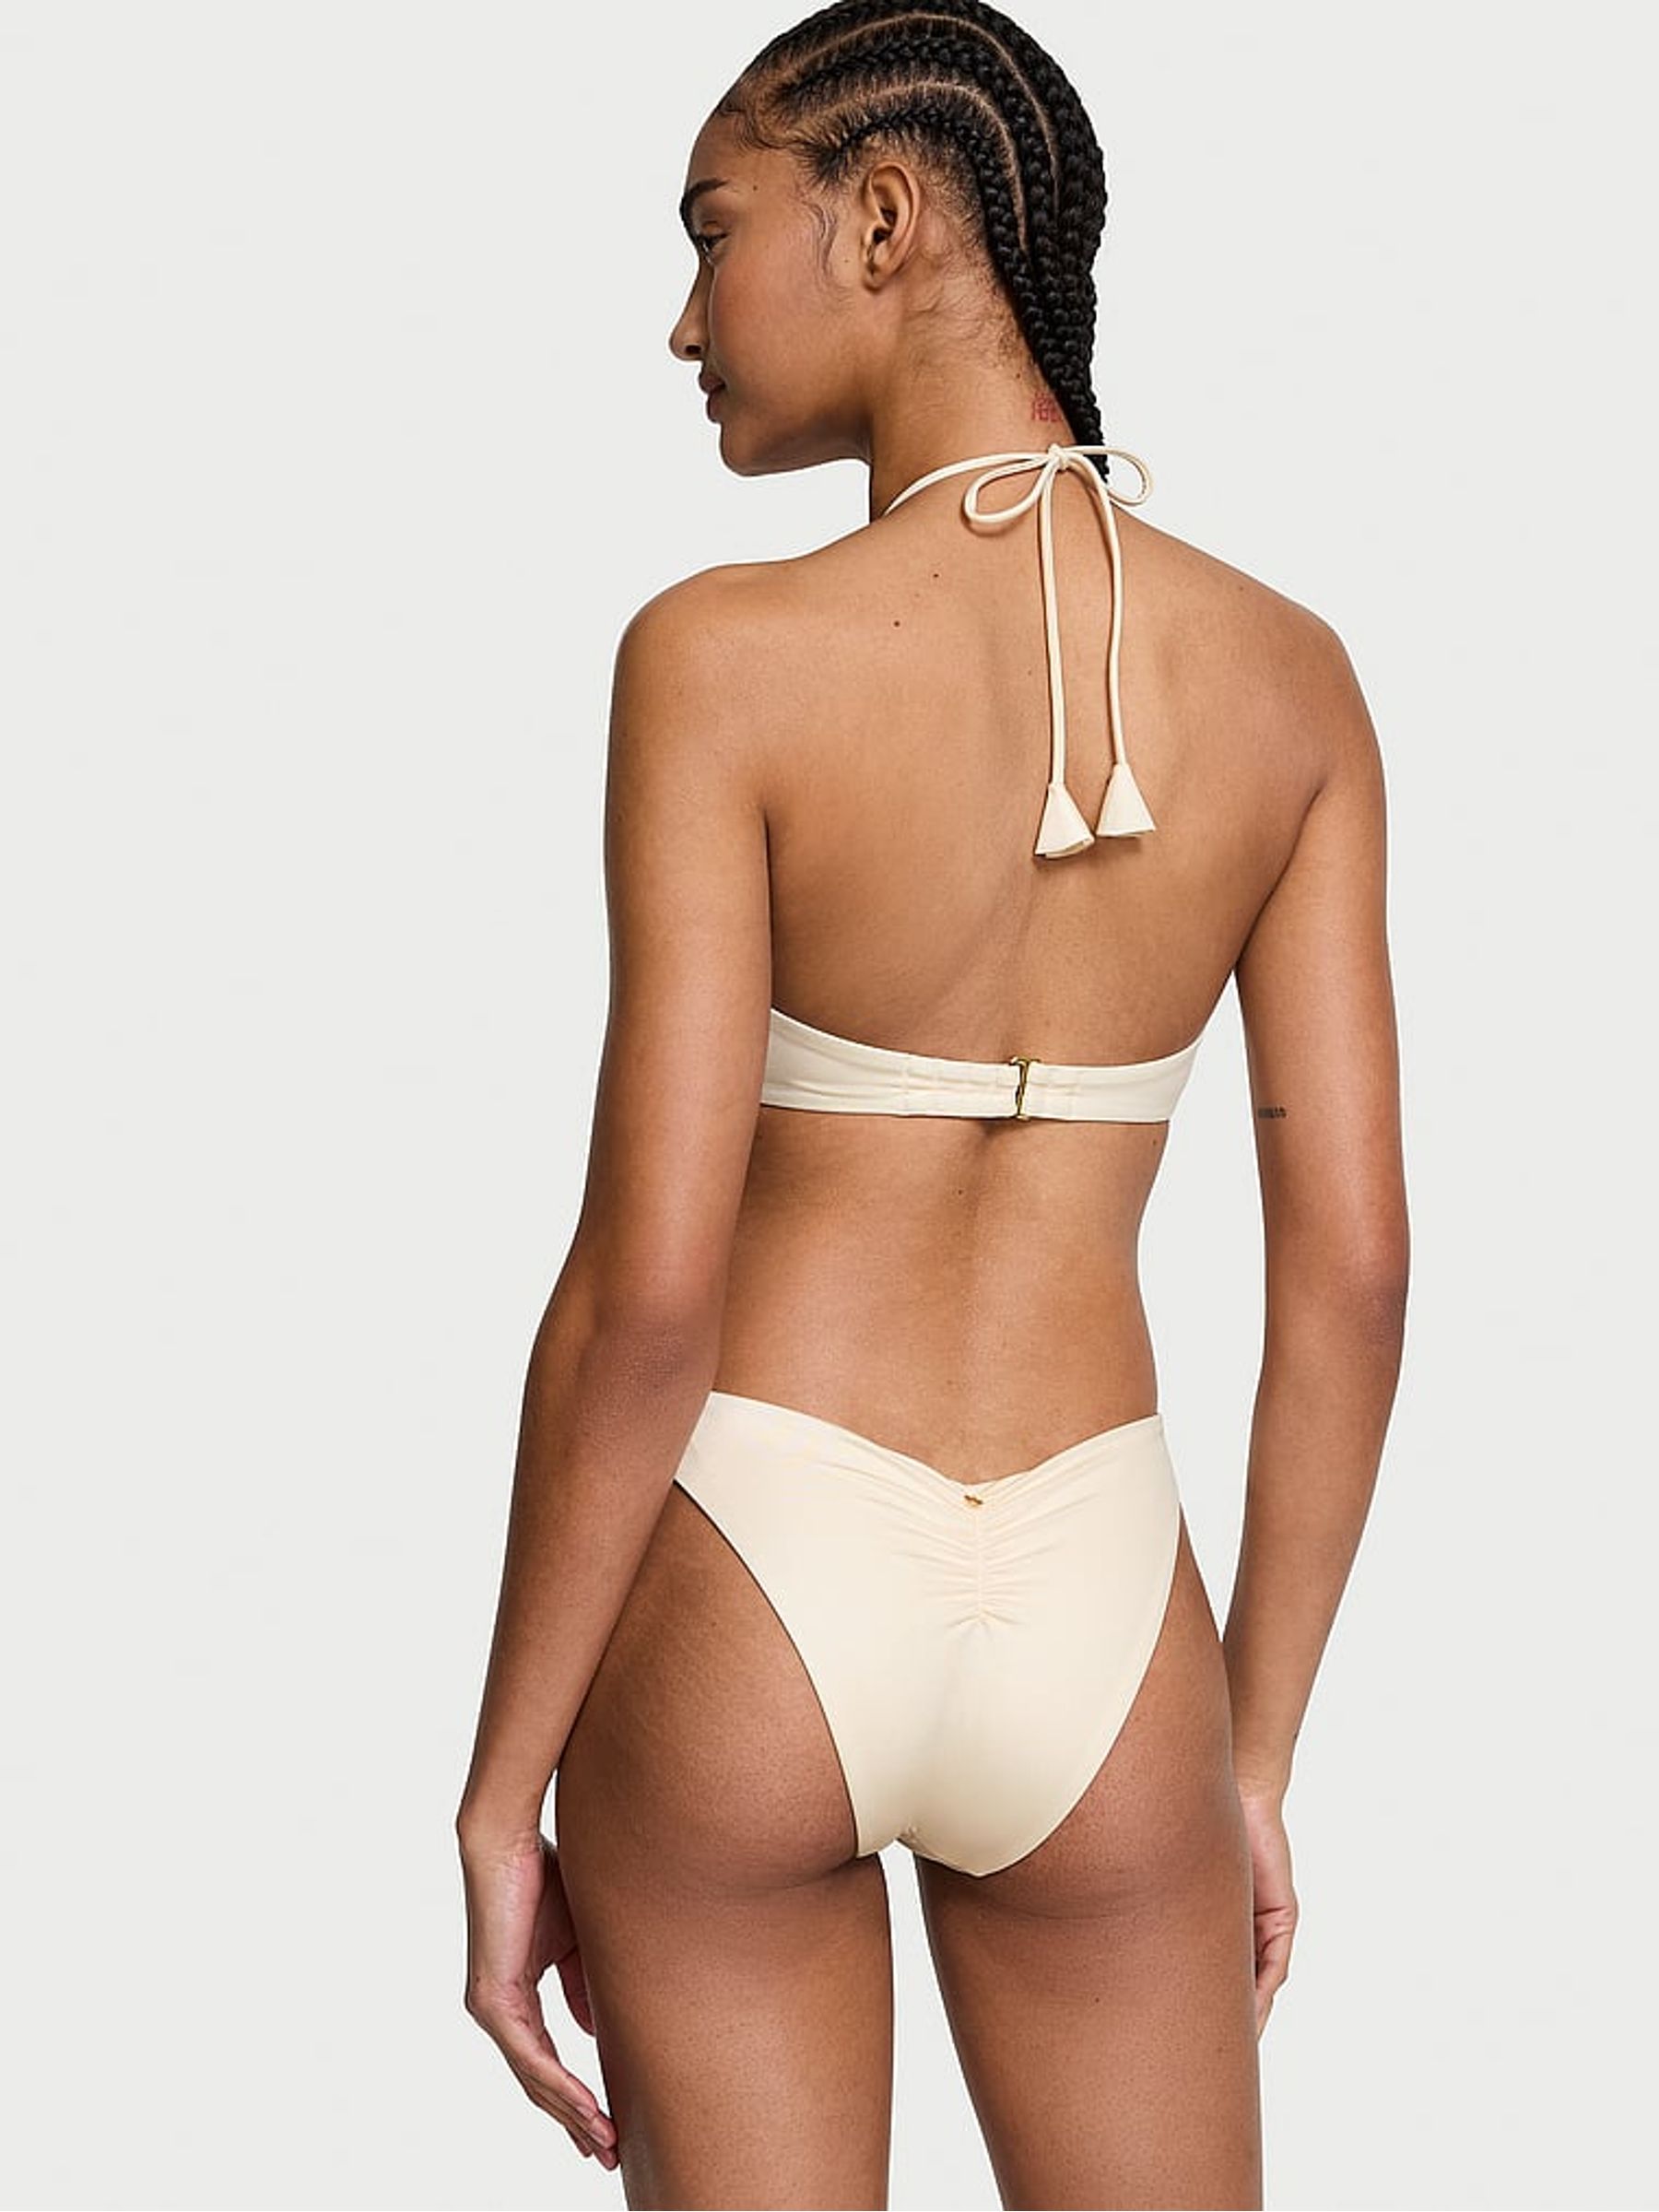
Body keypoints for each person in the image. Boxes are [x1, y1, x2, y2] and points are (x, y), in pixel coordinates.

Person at [455, 0, 1409, 2202]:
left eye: (713, 232)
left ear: (882, 217)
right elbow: (1355, 1272)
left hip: (750, 1580)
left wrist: (506, 1789)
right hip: (1104, 1612)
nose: (683, 318)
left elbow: (649, 1291)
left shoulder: (721, 658)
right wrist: (1250, 1752)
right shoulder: (1292, 681)